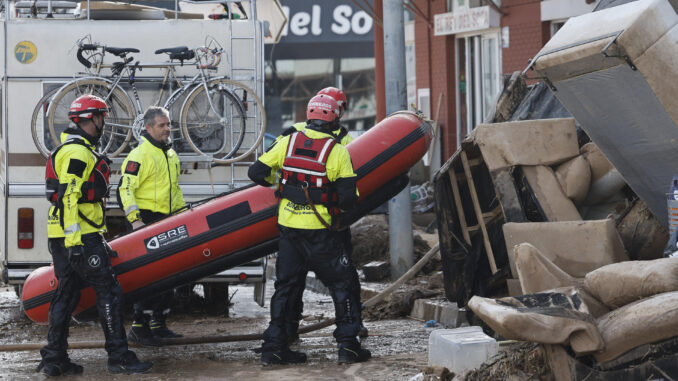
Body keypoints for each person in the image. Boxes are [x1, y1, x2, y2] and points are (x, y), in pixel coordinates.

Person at [248, 94, 371, 365]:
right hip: (320, 233)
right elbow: (350, 198)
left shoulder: (286, 142)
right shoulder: (337, 150)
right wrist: (326, 199)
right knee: (341, 284)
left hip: (289, 231)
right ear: (334, 118)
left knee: (286, 287)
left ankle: (274, 347)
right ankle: (348, 346)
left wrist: (281, 184)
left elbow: (256, 172)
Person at [40, 94, 153, 376]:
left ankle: (54, 358)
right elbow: (68, 196)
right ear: (92, 119)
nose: (105, 122)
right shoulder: (77, 152)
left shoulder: (71, 149)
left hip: (63, 235)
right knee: (109, 292)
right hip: (79, 236)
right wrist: (76, 242)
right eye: (102, 117)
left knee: (65, 295)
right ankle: (119, 357)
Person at [118, 106, 185, 346]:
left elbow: (174, 191)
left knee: (168, 275)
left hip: (167, 219)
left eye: (168, 125)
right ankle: (139, 326)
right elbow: (125, 189)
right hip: (145, 221)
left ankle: (158, 323)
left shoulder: (170, 155)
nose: (167, 129)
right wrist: (135, 220)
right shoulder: (139, 155)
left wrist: (182, 215)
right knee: (147, 278)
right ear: (148, 128)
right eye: (162, 125)